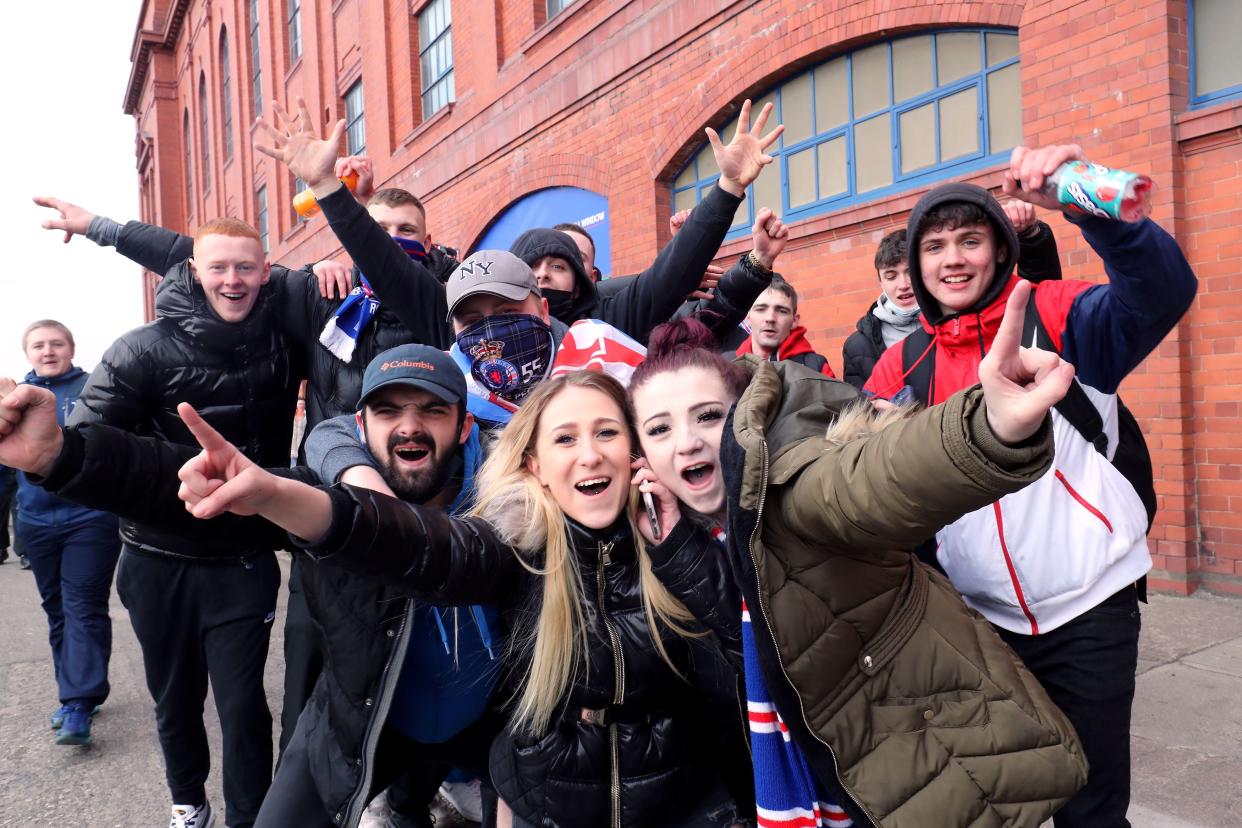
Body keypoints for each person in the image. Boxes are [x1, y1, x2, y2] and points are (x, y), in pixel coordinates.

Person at [174, 370, 753, 828]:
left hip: (686, 804)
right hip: (550, 804)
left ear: (634, 453)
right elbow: (416, 546)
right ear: (537, 467)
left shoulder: (685, 542)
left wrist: (680, 550)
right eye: (565, 439)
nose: (590, 454)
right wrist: (278, 496)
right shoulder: (515, 548)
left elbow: (751, 662)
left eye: (606, 433)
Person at [625, 303, 1089, 827]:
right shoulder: (667, 534)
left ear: (745, 420)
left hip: (939, 768)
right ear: (640, 452)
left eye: (708, 416)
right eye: (659, 429)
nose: (687, 441)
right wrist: (678, 554)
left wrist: (986, 428)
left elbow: (873, 477)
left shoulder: (792, 484)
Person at [864, 145, 1198, 827]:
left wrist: (1087, 208)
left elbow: (1162, 293)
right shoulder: (896, 369)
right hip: (975, 625)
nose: (952, 258)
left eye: (970, 239)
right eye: (934, 246)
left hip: (1090, 606)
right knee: (995, 803)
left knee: (1092, 807)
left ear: (1000, 249)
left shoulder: (1058, 312)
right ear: (917, 265)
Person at [68, 218, 303, 828]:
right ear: (193, 271)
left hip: (242, 560)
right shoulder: (139, 349)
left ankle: (248, 819)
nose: (232, 280)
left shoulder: (285, 335)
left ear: (266, 273)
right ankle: (188, 802)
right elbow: (90, 449)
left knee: (245, 705)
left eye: (245, 267)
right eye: (218, 267)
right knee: (175, 702)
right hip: (156, 559)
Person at [260, 96, 781, 347]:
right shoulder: (462, 327)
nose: (546, 274)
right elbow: (387, 267)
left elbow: (675, 273)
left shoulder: (609, 321)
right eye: (534, 266)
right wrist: (328, 188)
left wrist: (727, 189)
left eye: (561, 265)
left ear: (583, 277)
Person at [13, 320, 120, 746]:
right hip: (36, 522)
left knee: (82, 604)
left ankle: (77, 700)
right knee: (57, 609)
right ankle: (78, 692)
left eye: (56, 343)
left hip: (89, 518)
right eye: (38, 345)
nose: (48, 351)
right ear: (28, 354)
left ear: (71, 348)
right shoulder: (15, 401)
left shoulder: (96, 388)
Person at [842, 202, 1064, 389]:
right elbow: (863, 419)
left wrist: (1031, 238)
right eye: (891, 276)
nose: (903, 285)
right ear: (880, 281)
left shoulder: (964, 309)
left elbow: (1037, 298)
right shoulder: (863, 347)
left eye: (909, 272)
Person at [734, 274, 835, 375]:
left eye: (781, 311)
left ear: (794, 321)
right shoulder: (726, 367)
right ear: (748, 318)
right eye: (761, 309)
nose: (770, 318)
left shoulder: (818, 369)